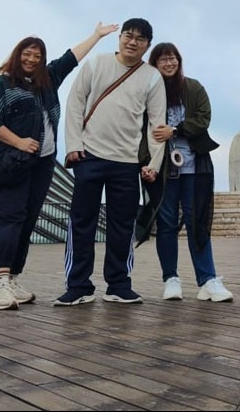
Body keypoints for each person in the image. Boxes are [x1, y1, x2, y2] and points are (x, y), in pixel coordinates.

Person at [0, 22, 118, 310]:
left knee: (27, 220)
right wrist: (18, 142)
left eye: (37, 56)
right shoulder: (0, 84)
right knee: (9, 218)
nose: (31, 60)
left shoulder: (46, 81)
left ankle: (13, 278)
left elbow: (70, 58)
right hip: (10, 161)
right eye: (26, 54)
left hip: (41, 163)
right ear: (17, 55)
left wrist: (96, 36)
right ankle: (0, 284)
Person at [55, 18, 167, 306]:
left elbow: (157, 124)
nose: (132, 42)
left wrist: (153, 163)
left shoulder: (152, 77)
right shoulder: (95, 64)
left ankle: (118, 284)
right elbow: (75, 104)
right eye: (128, 36)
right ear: (119, 38)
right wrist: (73, 146)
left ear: (147, 45)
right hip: (88, 156)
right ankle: (78, 285)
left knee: (122, 225)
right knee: (82, 223)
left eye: (140, 39)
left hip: (127, 161)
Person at [136, 42, 233, 302]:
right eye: (162, 60)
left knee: (197, 222)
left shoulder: (193, 87)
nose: (169, 63)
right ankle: (171, 279)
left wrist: (175, 130)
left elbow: (204, 117)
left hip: (195, 168)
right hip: (162, 170)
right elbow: (140, 130)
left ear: (179, 61)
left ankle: (208, 280)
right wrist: (146, 163)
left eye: (173, 59)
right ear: (154, 64)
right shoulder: (147, 92)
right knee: (166, 224)